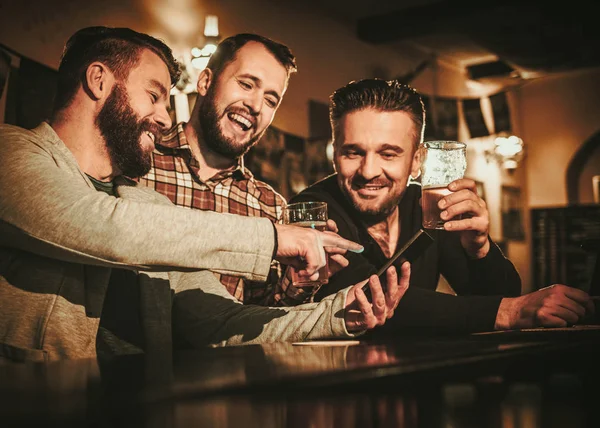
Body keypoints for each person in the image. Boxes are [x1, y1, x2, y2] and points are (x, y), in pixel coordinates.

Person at [0, 28, 409, 362]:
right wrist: (275, 237)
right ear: (98, 80)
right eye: (155, 95)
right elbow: (102, 226)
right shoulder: (9, 151)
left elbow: (220, 321)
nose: (164, 116)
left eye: (271, 98)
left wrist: (338, 315)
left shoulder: (145, 203)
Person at [282, 78, 595, 335]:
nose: (368, 171)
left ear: (417, 160)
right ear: (333, 153)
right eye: (353, 153)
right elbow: (366, 301)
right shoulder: (312, 209)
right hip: (337, 389)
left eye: (388, 154)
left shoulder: (428, 207)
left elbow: (500, 293)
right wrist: (514, 312)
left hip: (422, 391)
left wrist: (480, 249)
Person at [139, 33, 296, 304]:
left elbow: (264, 315)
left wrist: (298, 283)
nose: (256, 106)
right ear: (205, 81)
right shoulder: (138, 161)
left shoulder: (271, 208)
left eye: (271, 100)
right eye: (246, 84)